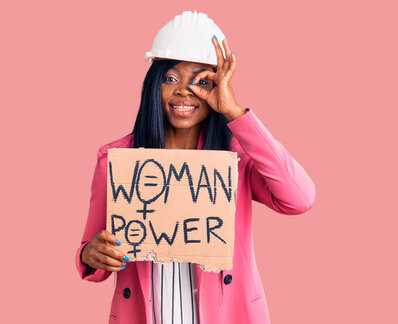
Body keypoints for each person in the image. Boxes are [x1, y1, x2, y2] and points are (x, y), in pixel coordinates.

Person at [75, 11, 316, 324]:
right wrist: (91, 255)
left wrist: (234, 112)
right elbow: (91, 251)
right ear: (153, 85)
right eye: (171, 78)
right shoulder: (116, 160)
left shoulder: (238, 160)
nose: (185, 91)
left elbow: (300, 198)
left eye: (201, 81)